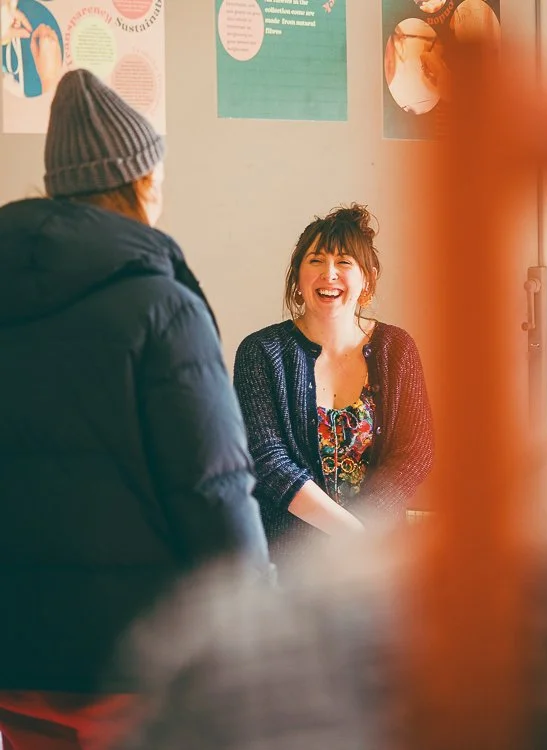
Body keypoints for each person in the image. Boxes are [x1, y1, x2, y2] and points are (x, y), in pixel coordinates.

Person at [0, 68, 269, 749]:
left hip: (16, 660)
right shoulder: (161, 306)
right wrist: (259, 635)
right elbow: (214, 491)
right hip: (132, 666)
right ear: (140, 180)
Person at [233, 204, 434, 562]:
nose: (329, 274)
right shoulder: (261, 352)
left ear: (367, 278)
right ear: (297, 277)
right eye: (316, 261)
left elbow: (414, 454)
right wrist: (350, 533)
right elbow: (268, 459)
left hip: (378, 560)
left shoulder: (396, 349)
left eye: (344, 262)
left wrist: (366, 534)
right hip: (288, 561)